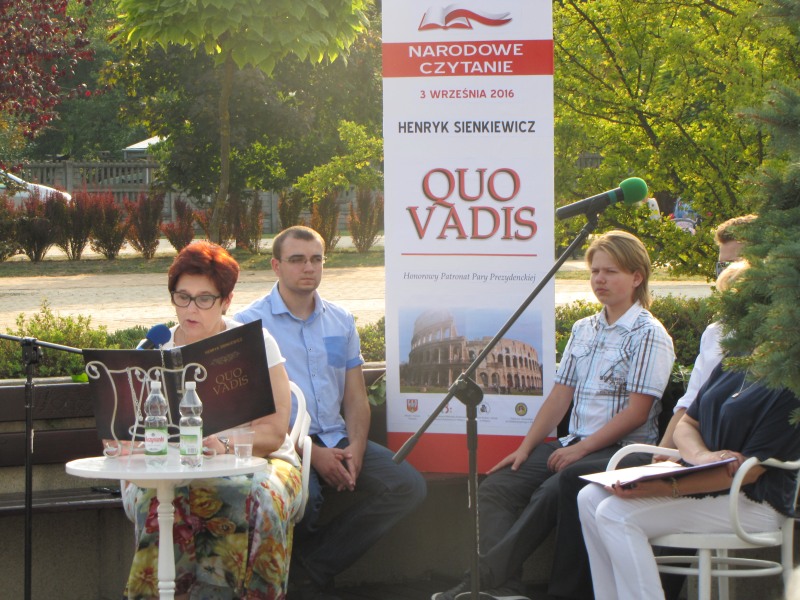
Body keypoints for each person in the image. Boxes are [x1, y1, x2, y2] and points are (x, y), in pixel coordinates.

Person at [432, 230, 675, 600]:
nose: (599, 280)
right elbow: (560, 396)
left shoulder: (649, 334)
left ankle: (484, 578)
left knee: (555, 489)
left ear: (636, 277)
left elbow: (637, 413)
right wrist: (526, 448)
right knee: (497, 487)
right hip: (573, 443)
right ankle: (507, 588)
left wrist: (581, 450)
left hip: (623, 451)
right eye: (595, 271)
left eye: (611, 272)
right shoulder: (584, 328)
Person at [549, 221, 754, 600]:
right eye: (721, 265)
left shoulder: (781, 345)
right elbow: (688, 406)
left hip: (738, 473)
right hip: (692, 453)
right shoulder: (716, 332)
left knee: (585, 487)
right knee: (582, 493)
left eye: (736, 263)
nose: (726, 274)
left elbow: (759, 447)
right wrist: (664, 454)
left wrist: (687, 458)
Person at [233, 225, 427, 600]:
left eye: (316, 259)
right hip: (284, 445)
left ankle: (308, 570)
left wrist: (356, 448)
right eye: (296, 260)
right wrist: (314, 455)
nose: (308, 267)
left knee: (407, 486)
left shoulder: (341, 320)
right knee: (306, 499)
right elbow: (253, 413)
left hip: (338, 437)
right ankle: (305, 579)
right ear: (276, 266)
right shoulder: (249, 324)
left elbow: (355, 397)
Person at [121, 241, 303, 600]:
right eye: (183, 297)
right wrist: (125, 441)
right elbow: (130, 432)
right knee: (156, 501)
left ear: (226, 301)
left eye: (204, 299)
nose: (191, 308)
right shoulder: (153, 351)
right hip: (169, 468)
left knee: (261, 500)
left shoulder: (255, 343)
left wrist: (225, 444)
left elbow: (274, 432)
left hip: (258, 461)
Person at [577, 359, 800, 600]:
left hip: (753, 499)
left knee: (615, 514)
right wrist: (702, 456)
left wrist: (666, 487)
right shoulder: (736, 358)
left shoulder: (790, 378)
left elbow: (749, 472)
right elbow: (687, 423)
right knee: (589, 497)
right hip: (698, 480)